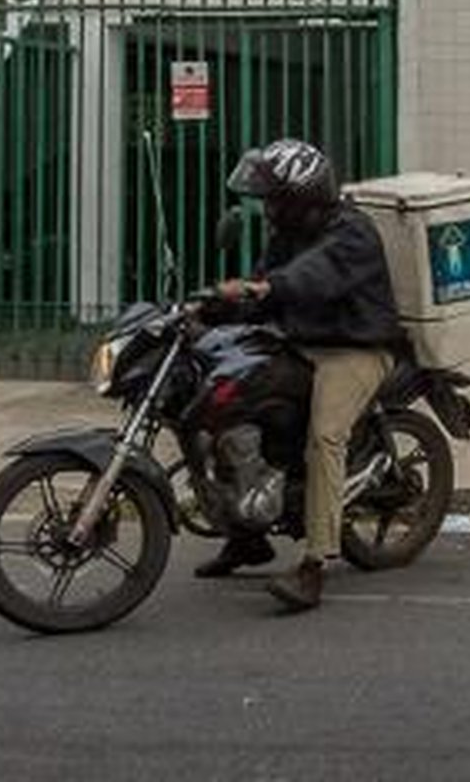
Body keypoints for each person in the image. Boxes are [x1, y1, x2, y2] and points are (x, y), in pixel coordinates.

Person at [196, 137, 400, 614]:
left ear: (302, 200)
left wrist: (260, 287)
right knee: (230, 412)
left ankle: (314, 564)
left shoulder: (353, 232)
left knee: (324, 438)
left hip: (355, 349)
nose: (268, 209)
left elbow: (310, 277)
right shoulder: (287, 235)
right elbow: (265, 289)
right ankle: (246, 537)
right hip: (300, 343)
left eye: (275, 200)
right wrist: (212, 311)